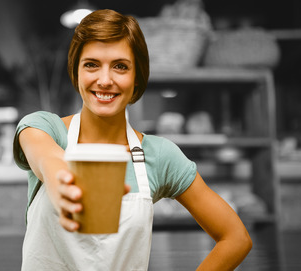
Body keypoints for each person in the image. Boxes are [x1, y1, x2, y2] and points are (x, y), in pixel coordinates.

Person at [13, 9, 252, 270]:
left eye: (120, 66)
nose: (104, 80)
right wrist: (62, 183)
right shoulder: (44, 128)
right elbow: (47, 158)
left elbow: (235, 238)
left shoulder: (160, 155)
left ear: (137, 78)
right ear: (77, 71)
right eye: (91, 64)